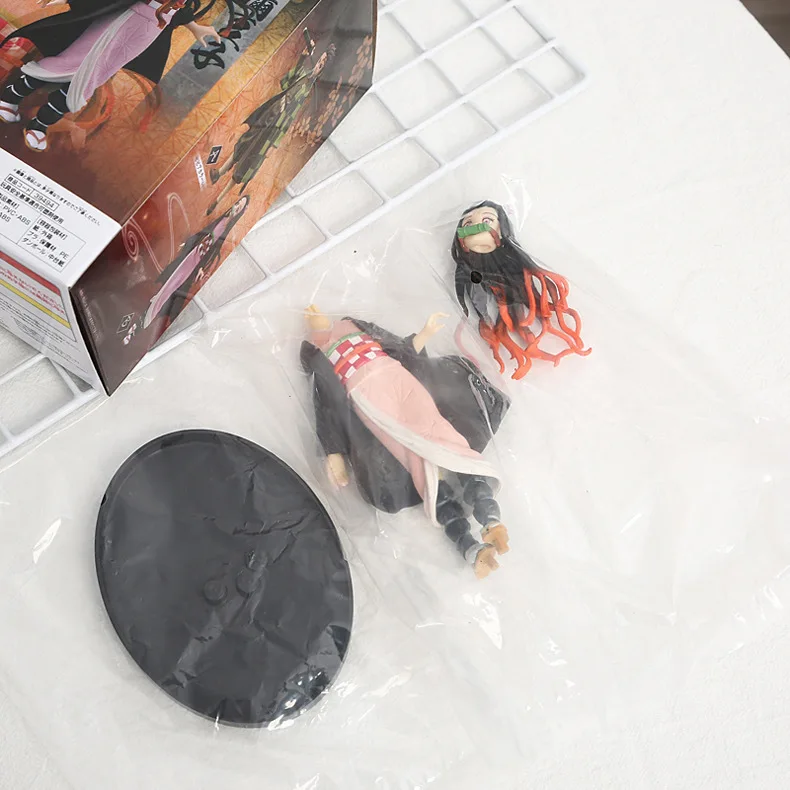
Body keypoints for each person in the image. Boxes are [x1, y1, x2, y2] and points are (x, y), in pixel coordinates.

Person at [301, 305, 512, 579]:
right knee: (409, 449)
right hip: (366, 391)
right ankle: (468, 544)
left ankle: (489, 516)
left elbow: (397, 349)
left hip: (396, 375)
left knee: (439, 429)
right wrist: (334, 452)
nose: (317, 315)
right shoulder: (319, 355)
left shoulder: (352, 325)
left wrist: (423, 335)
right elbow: (327, 402)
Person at [0, 0, 223, 152]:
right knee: (73, 61)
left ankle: (40, 124)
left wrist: (195, 27)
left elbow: (180, 10)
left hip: (150, 30)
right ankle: (10, 98)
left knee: (94, 78)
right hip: (124, 17)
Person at [453, 200, 590, 379]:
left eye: (487, 220)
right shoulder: (470, 277)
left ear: (502, 231)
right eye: (468, 224)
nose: (476, 227)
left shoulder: (513, 264)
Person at [206, 36, 335, 214]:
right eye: (321, 59)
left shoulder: (310, 91)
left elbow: (293, 115)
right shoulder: (304, 74)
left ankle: (218, 200)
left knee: (249, 160)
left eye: (323, 63)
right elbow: (285, 82)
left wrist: (284, 110)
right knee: (244, 141)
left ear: (324, 70)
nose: (320, 63)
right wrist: (303, 57)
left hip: (273, 128)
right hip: (269, 113)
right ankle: (219, 173)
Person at [142, 195, 248, 332]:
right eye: (238, 203)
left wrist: (202, 267)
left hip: (197, 261)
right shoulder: (222, 219)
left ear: (241, 212)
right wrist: (189, 243)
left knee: (177, 284)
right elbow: (204, 232)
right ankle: (155, 305)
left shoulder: (226, 228)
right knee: (172, 279)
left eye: (240, 206)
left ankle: (156, 311)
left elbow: (214, 249)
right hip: (193, 253)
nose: (237, 206)